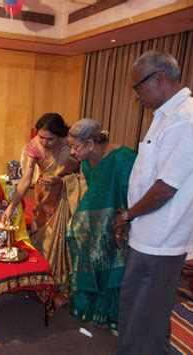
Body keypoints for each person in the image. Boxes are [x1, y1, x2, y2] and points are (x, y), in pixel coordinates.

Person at [114, 50, 193, 354]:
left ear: (159, 78)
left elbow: (164, 188)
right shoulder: (168, 116)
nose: (136, 97)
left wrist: (127, 215)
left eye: (138, 87)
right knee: (148, 312)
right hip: (151, 232)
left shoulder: (189, 119)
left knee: (141, 313)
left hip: (161, 236)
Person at [1, 112, 80, 307]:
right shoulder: (35, 146)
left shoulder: (71, 144)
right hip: (44, 196)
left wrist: (61, 181)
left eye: (49, 139)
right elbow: (26, 178)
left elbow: (82, 174)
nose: (44, 143)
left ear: (61, 135)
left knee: (60, 240)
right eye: (41, 137)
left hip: (67, 197)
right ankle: (42, 283)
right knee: (41, 238)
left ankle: (60, 286)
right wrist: (12, 205)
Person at [65, 119, 136, 332]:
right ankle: (94, 309)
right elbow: (95, 195)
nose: (72, 152)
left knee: (114, 264)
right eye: (70, 147)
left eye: (75, 147)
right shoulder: (86, 163)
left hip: (120, 220)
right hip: (96, 222)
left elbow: (136, 190)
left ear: (90, 144)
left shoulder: (122, 157)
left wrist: (124, 219)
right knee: (90, 257)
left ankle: (112, 313)